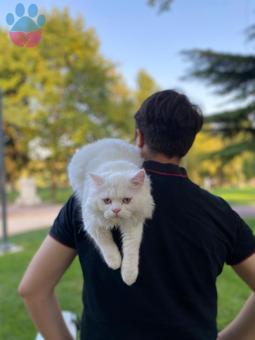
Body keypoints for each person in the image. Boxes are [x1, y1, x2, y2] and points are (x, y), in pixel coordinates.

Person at [18, 90, 255, 340]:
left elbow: (33, 289)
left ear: (140, 137)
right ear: (187, 145)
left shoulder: (90, 199)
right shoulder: (219, 214)